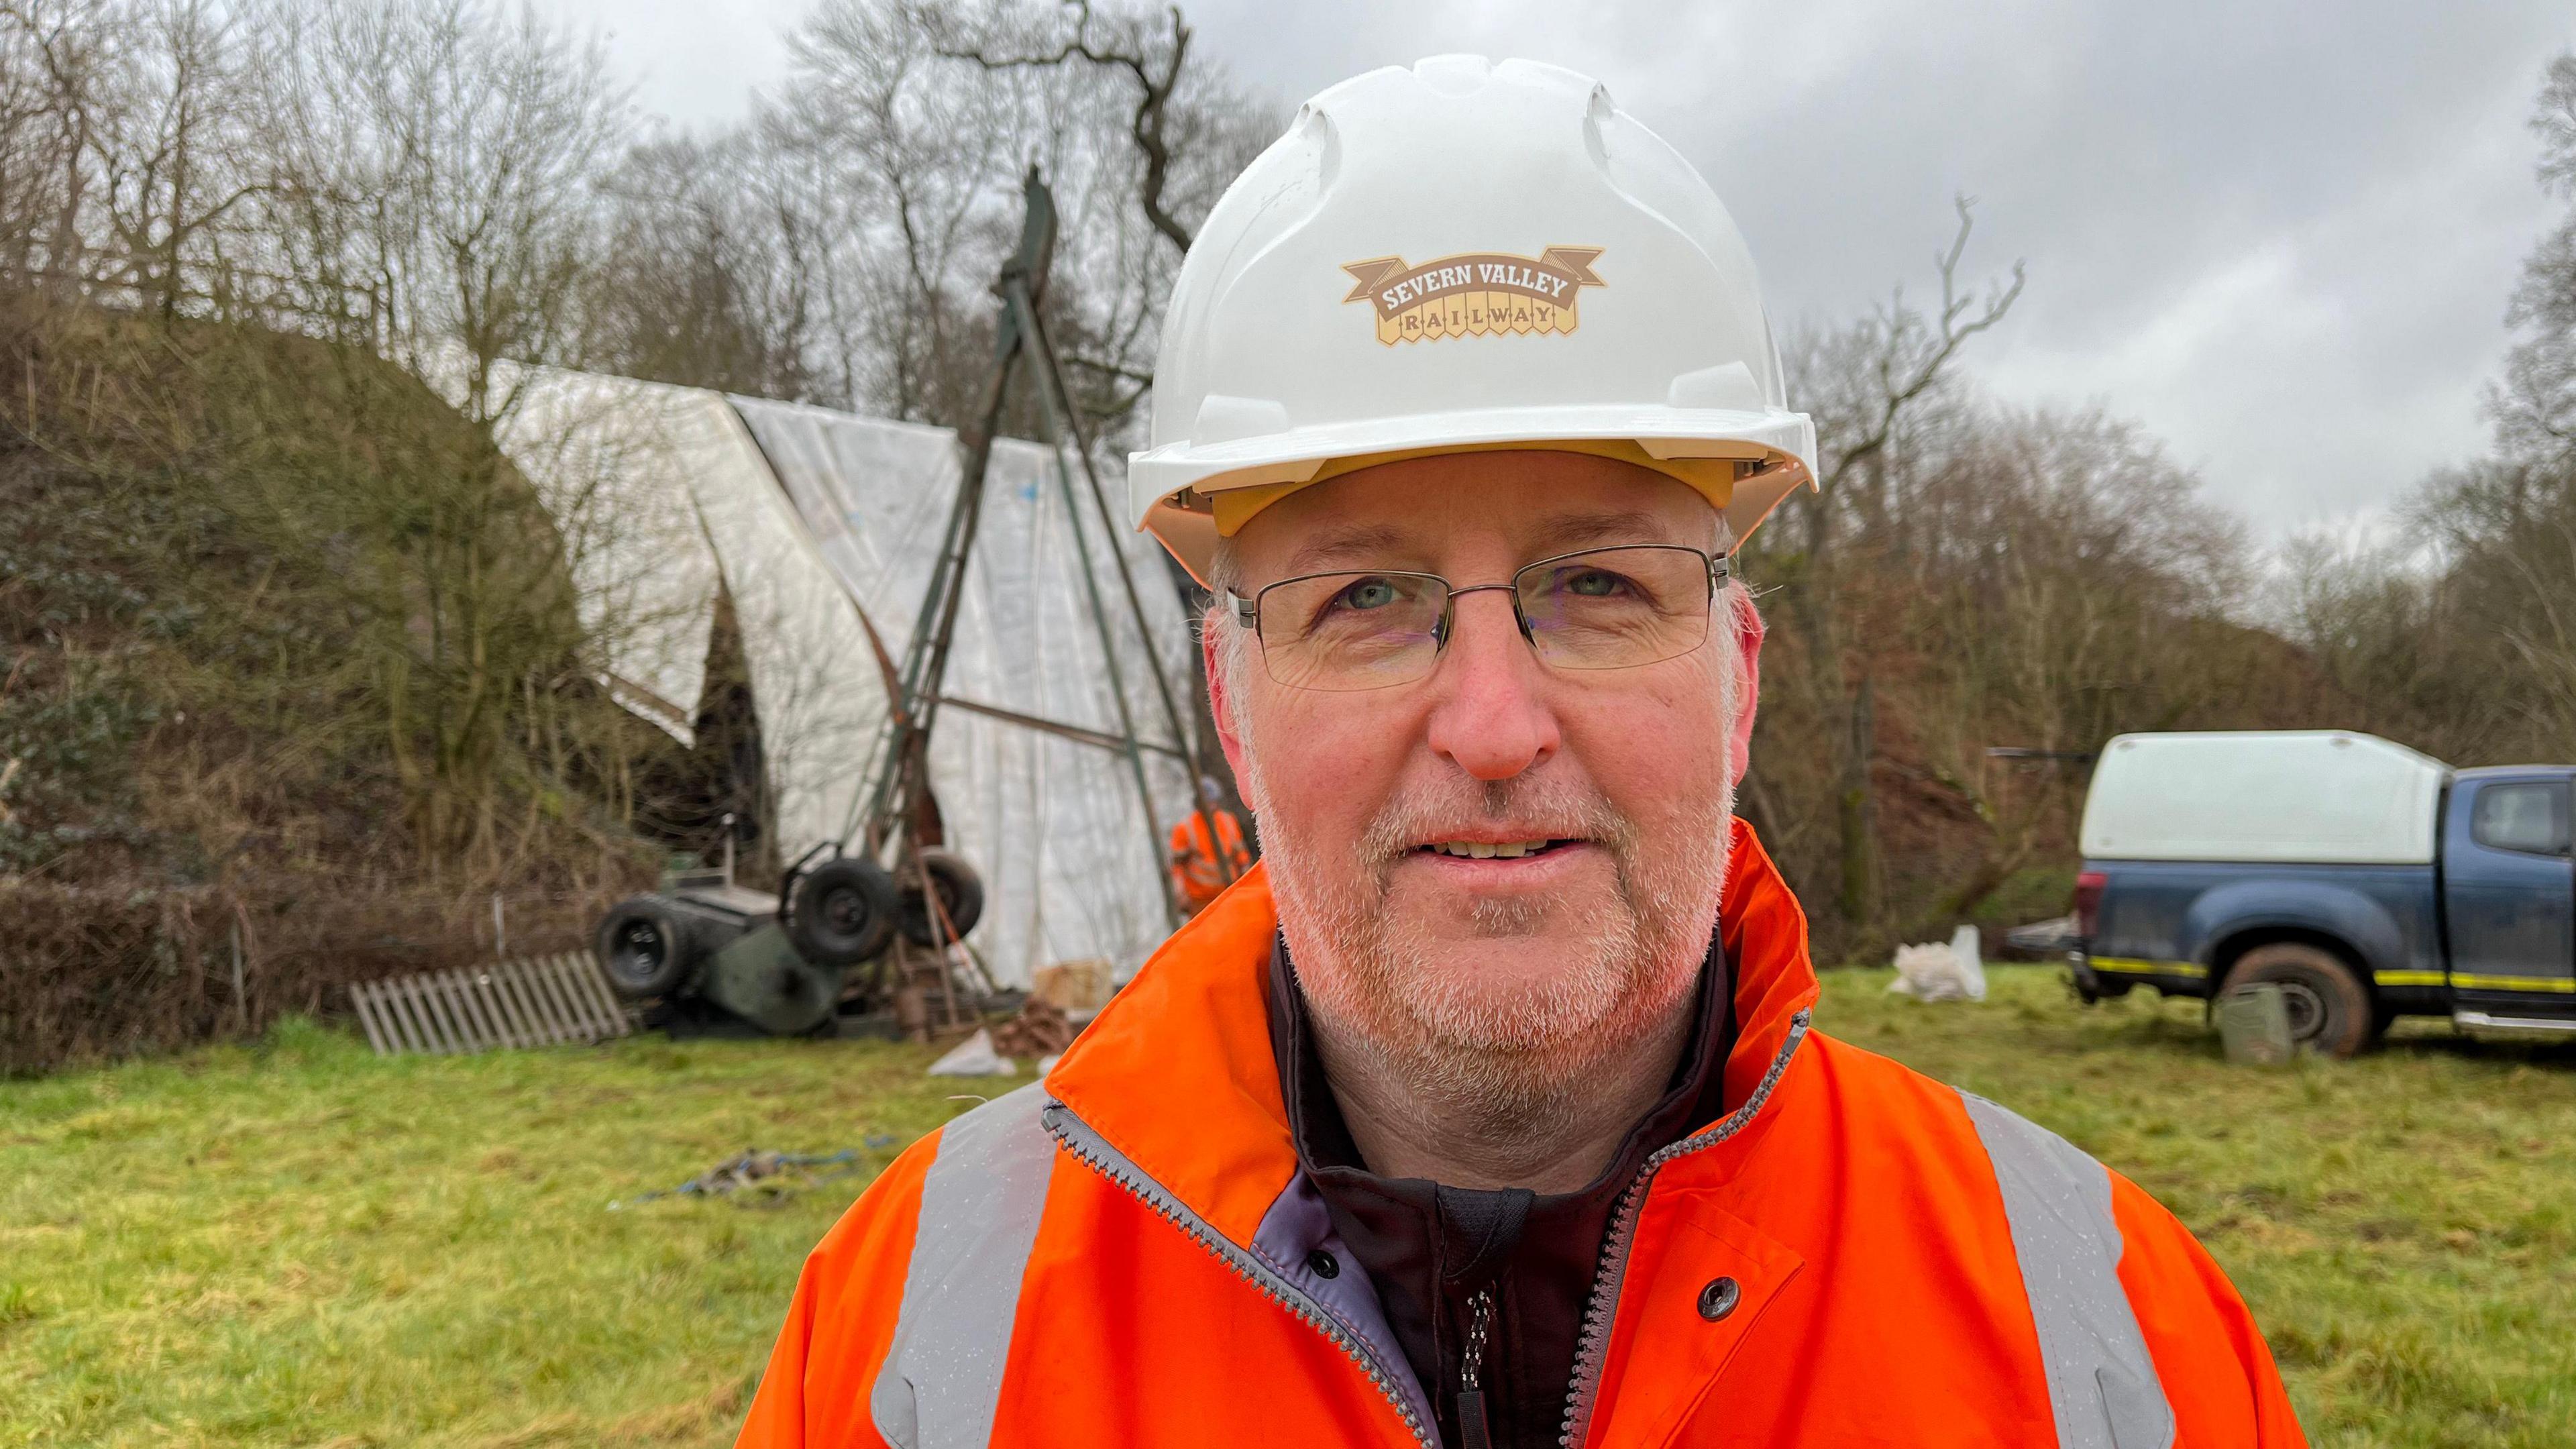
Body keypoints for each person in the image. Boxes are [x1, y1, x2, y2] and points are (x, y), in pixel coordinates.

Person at [738, 57, 2305, 1448]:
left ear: (1737, 682)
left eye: (1597, 587)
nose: (1492, 728)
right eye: (1363, 596)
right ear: (1231, 702)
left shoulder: (2106, 1341)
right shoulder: (913, 1342)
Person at [1169, 775, 1253, 916]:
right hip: (1201, 901)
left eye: (1213, 801)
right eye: (1207, 802)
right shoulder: (1184, 829)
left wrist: (1248, 882)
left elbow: (1241, 855)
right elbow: (1178, 866)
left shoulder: (1228, 821)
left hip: (1230, 892)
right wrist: (1180, 892)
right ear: (1197, 803)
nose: (1211, 806)